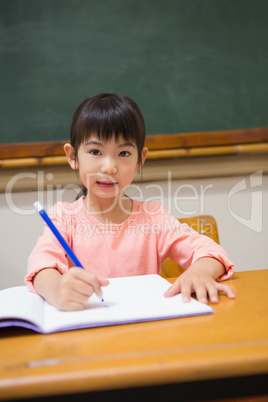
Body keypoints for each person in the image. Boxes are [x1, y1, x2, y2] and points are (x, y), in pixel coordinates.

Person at [25, 92, 235, 311]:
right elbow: (41, 266)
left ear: (140, 160)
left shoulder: (153, 217)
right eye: (95, 151)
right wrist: (57, 289)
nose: (109, 167)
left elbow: (211, 252)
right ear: (73, 156)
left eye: (123, 153)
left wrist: (199, 272)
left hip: (144, 331)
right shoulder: (62, 218)